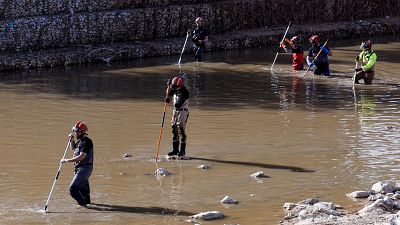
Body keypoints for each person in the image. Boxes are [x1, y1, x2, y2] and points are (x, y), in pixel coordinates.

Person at [60, 121, 94, 206]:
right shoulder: (80, 141)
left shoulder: (87, 142)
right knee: (84, 191)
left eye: (77, 131)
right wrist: (71, 140)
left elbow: (82, 156)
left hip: (85, 169)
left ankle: (83, 207)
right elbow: (74, 148)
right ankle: (87, 205)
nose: (75, 133)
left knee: (73, 189)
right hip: (79, 168)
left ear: (82, 132)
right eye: (75, 131)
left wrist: (67, 160)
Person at [165, 76, 190, 157]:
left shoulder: (184, 92)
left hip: (182, 112)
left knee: (181, 130)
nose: (174, 88)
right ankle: (175, 150)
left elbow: (177, 105)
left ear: (180, 85)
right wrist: (168, 86)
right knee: (174, 129)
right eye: (174, 87)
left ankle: (182, 151)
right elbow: (169, 93)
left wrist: (168, 100)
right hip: (175, 112)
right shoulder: (176, 88)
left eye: (175, 87)